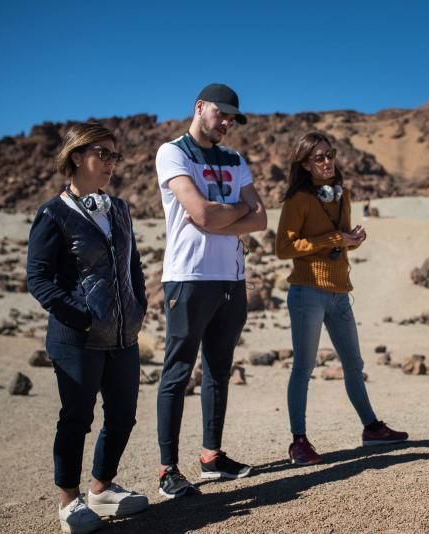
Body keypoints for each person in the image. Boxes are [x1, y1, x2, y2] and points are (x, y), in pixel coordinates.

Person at [27, 122, 149, 533]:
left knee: (123, 416)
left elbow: (133, 265)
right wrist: (80, 315)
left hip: (122, 335)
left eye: (116, 155)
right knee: (77, 418)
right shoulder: (53, 213)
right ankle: (68, 502)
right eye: (103, 154)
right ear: (77, 156)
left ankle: (101, 489)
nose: (112, 163)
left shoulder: (119, 209)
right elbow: (38, 278)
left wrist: (137, 306)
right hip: (75, 337)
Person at [154, 83, 267, 498]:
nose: (227, 124)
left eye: (234, 119)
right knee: (178, 371)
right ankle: (168, 469)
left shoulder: (235, 159)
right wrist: (234, 211)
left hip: (232, 279)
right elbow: (198, 213)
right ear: (200, 107)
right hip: (188, 276)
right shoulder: (173, 152)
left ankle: (212, 456)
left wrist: (223, 216)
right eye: (222, 114)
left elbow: (261, 220)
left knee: (219, 369)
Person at [276, 131, 408, 466]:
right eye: (318, 157)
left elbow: (339, 240)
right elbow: (284, 248)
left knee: (354, 365)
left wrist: (352, 240)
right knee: (304, 368)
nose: (327, 161)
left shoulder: (342, 195)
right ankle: (299, 442)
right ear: (305, 164)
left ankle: (372, 429)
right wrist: (335, 237)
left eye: (329, 154)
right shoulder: (298, 200)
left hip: (340, 294)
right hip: (308, 292)